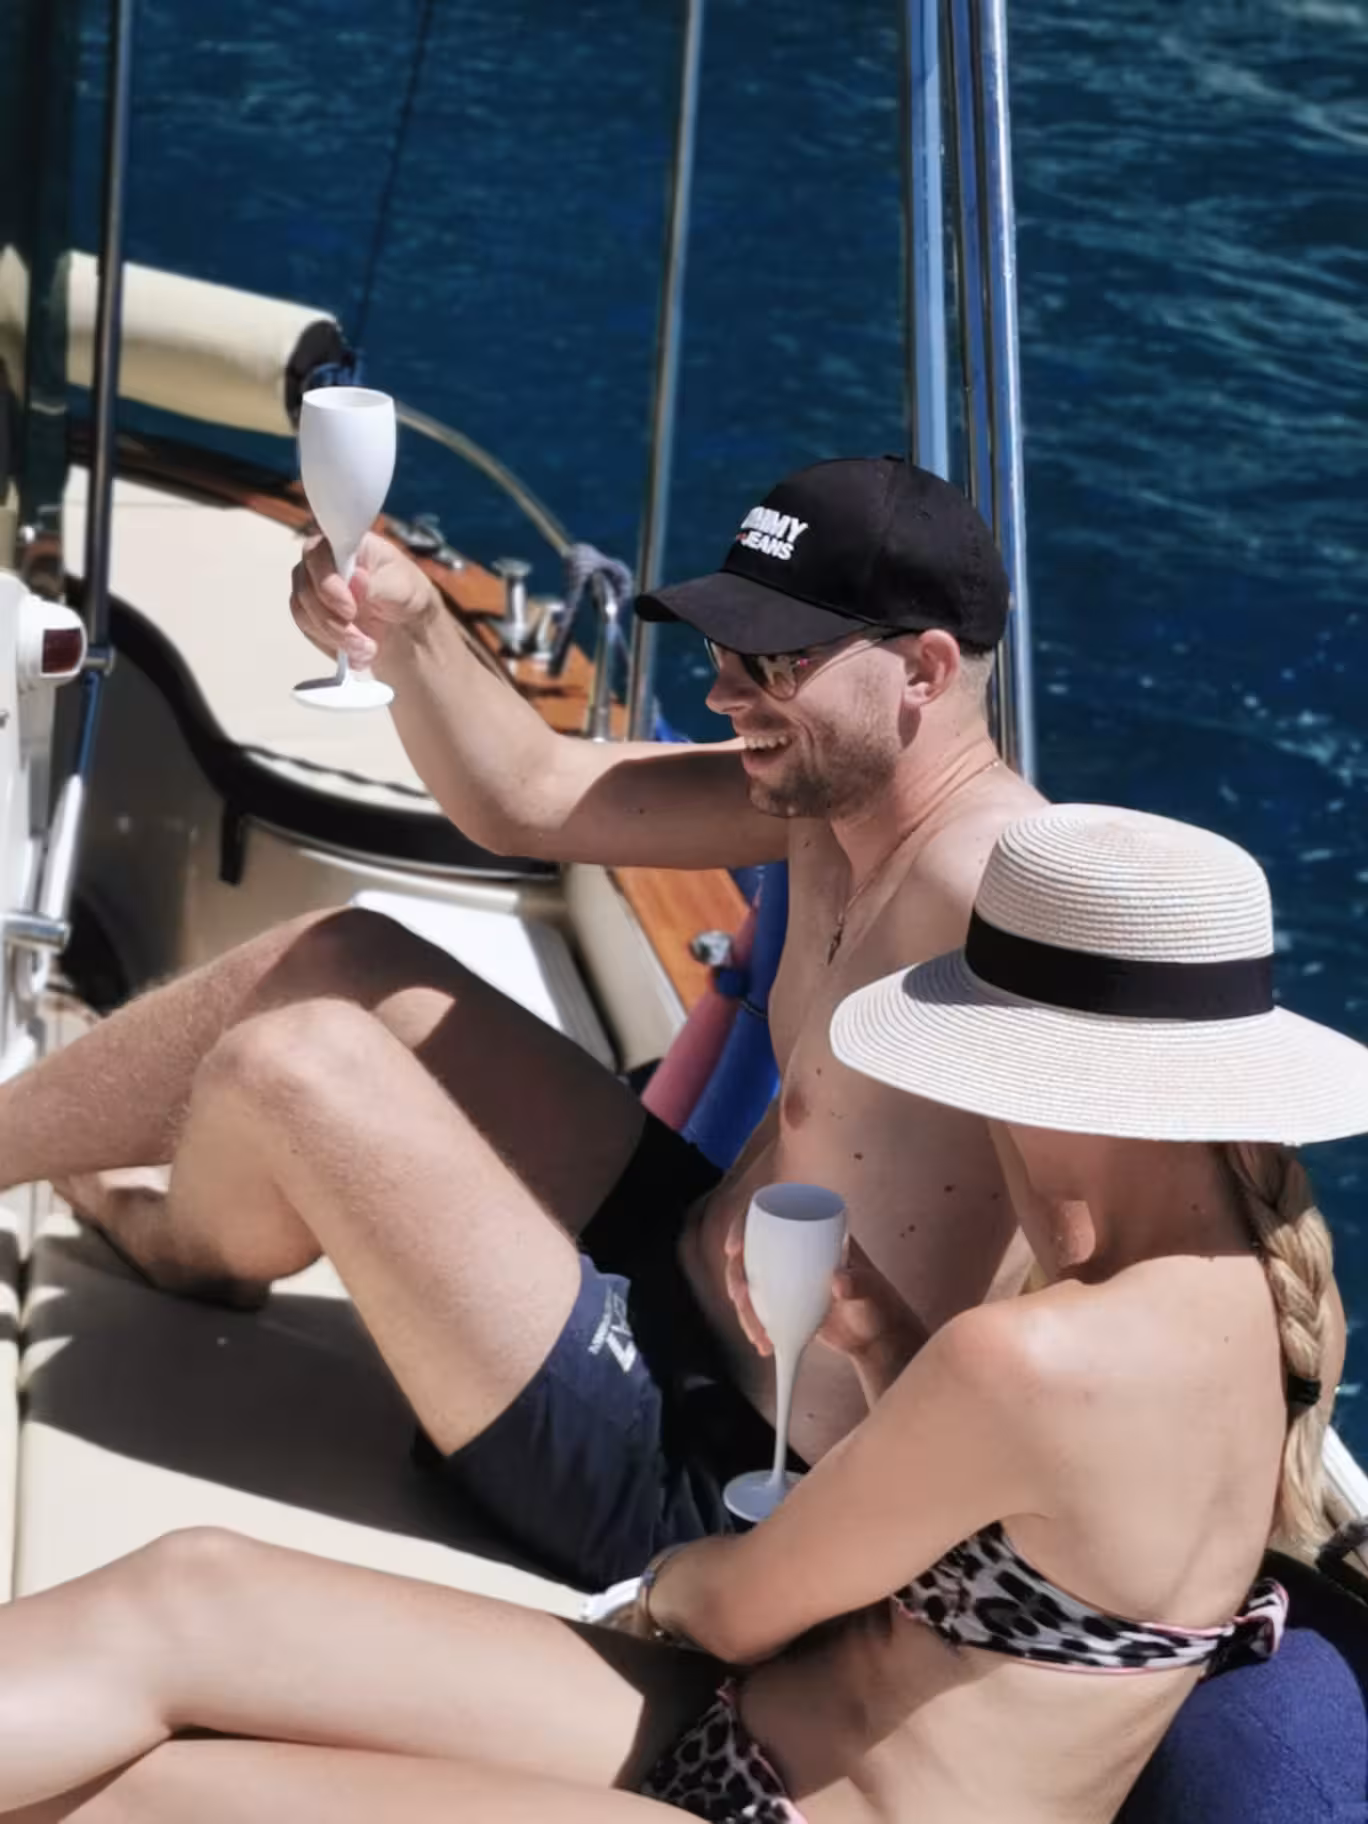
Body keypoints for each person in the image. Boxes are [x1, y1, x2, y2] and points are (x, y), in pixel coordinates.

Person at [0, 803, 1360, 1824]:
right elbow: (1041, 1553)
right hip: (753, 1746)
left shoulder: (1044, 1350)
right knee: (198, 1594)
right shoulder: (1267, 1317)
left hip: (761, 1789)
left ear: (1044, 1079)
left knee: (165, 1795)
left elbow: (742, 1605)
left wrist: (656, 1591)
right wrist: (891, 1354)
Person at [2, 456, 1043, 1589]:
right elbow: (530, 794)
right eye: (725, 651)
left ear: (924, 672)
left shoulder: (1008, 898)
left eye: (775, 662)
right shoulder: (827, 798)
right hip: (676, 1261)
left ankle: (178, 1245)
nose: (726, 694)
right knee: (342, 962)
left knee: (297, 1064)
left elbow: (1159, 1242)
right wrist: (411, 626)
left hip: (716, 1469)